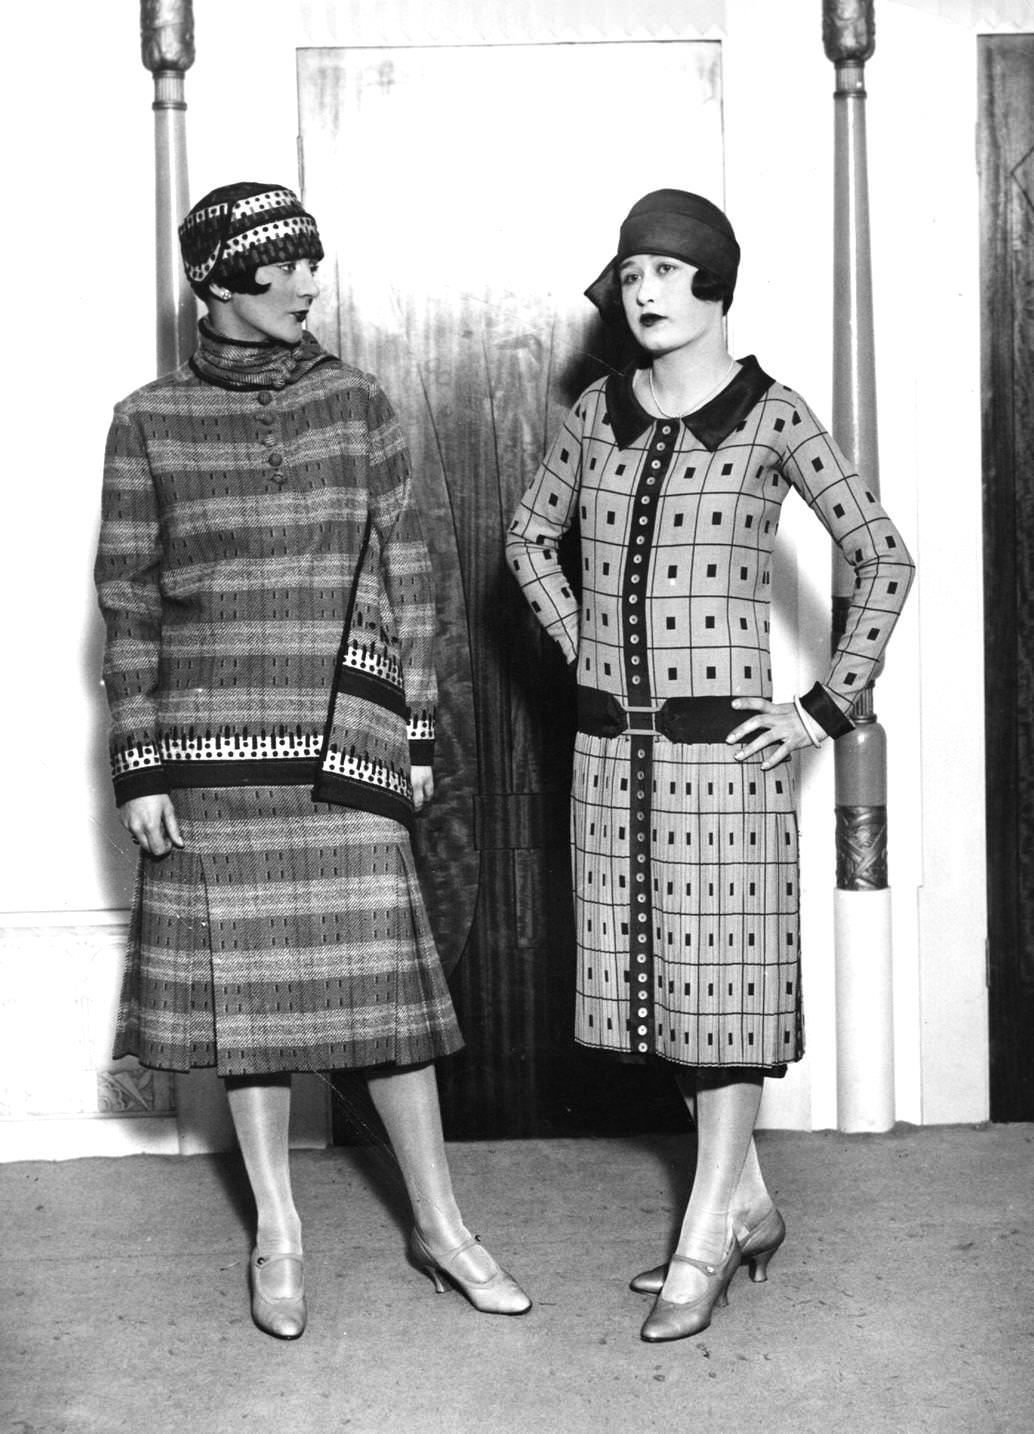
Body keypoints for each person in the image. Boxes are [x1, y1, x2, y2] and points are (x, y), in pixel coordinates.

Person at [95, 181, 531, 1338]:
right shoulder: (145, 421)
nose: (305, 284)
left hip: (343, 747)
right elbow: (128, 603)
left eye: (311, 263)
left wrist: (417, 734)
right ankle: (278, 1234)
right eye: (279, 267)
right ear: (213, 282)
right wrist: (140, 764)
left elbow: (410, 574)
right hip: (206, 758)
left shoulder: (357, 405)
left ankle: (440, 1227)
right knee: (250, 1016)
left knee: (384, 1004)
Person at [506, 189, 913, 1343]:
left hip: (720, 762)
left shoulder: (773, 415)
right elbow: (528, 538)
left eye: (662, 272)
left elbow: (880, 557)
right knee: (655, 992)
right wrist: (577, 636)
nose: (639, 292)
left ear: (712, 283)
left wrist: (822, 709)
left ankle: (701, 1237)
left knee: (722, 999)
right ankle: (744, 1201)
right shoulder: (595, 412)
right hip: (607, 761)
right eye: (626, 273)